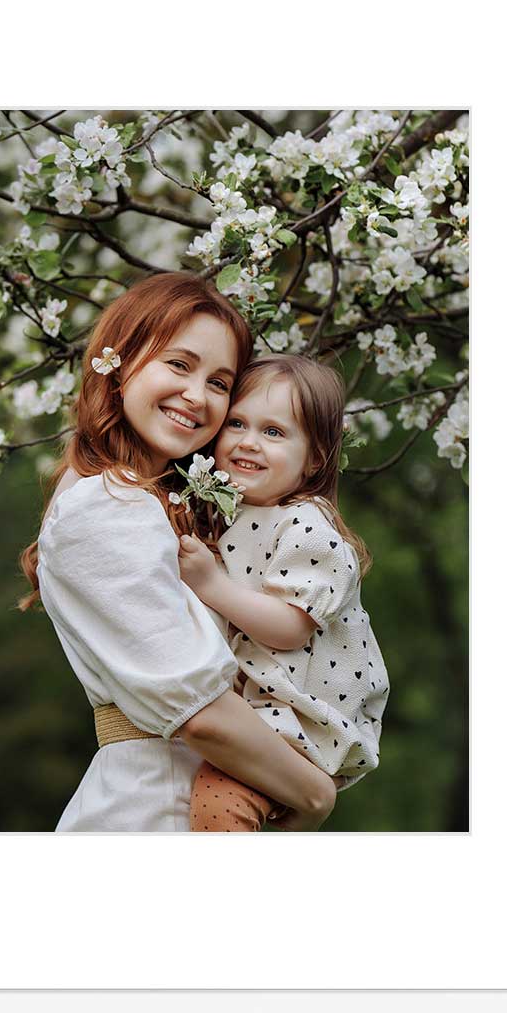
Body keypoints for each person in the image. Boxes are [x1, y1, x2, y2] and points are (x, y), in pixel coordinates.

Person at [18, 273, 339, 832]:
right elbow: (200, 713)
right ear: (118, 363)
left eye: (219, 383)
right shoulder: (105, 504)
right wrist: (315, 795)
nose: (197, 395)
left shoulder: (148, 502)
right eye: (179, 364)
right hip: (150, 808)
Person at [177, 354, 390, 832]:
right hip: (266, 711)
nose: (248, 441)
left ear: (314, 458)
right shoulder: (230, 511)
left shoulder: (308, 526)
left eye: (273, 432)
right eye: (237, 423)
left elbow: (291, 627)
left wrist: (212, 585)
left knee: (218, 801)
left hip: (302, 720)